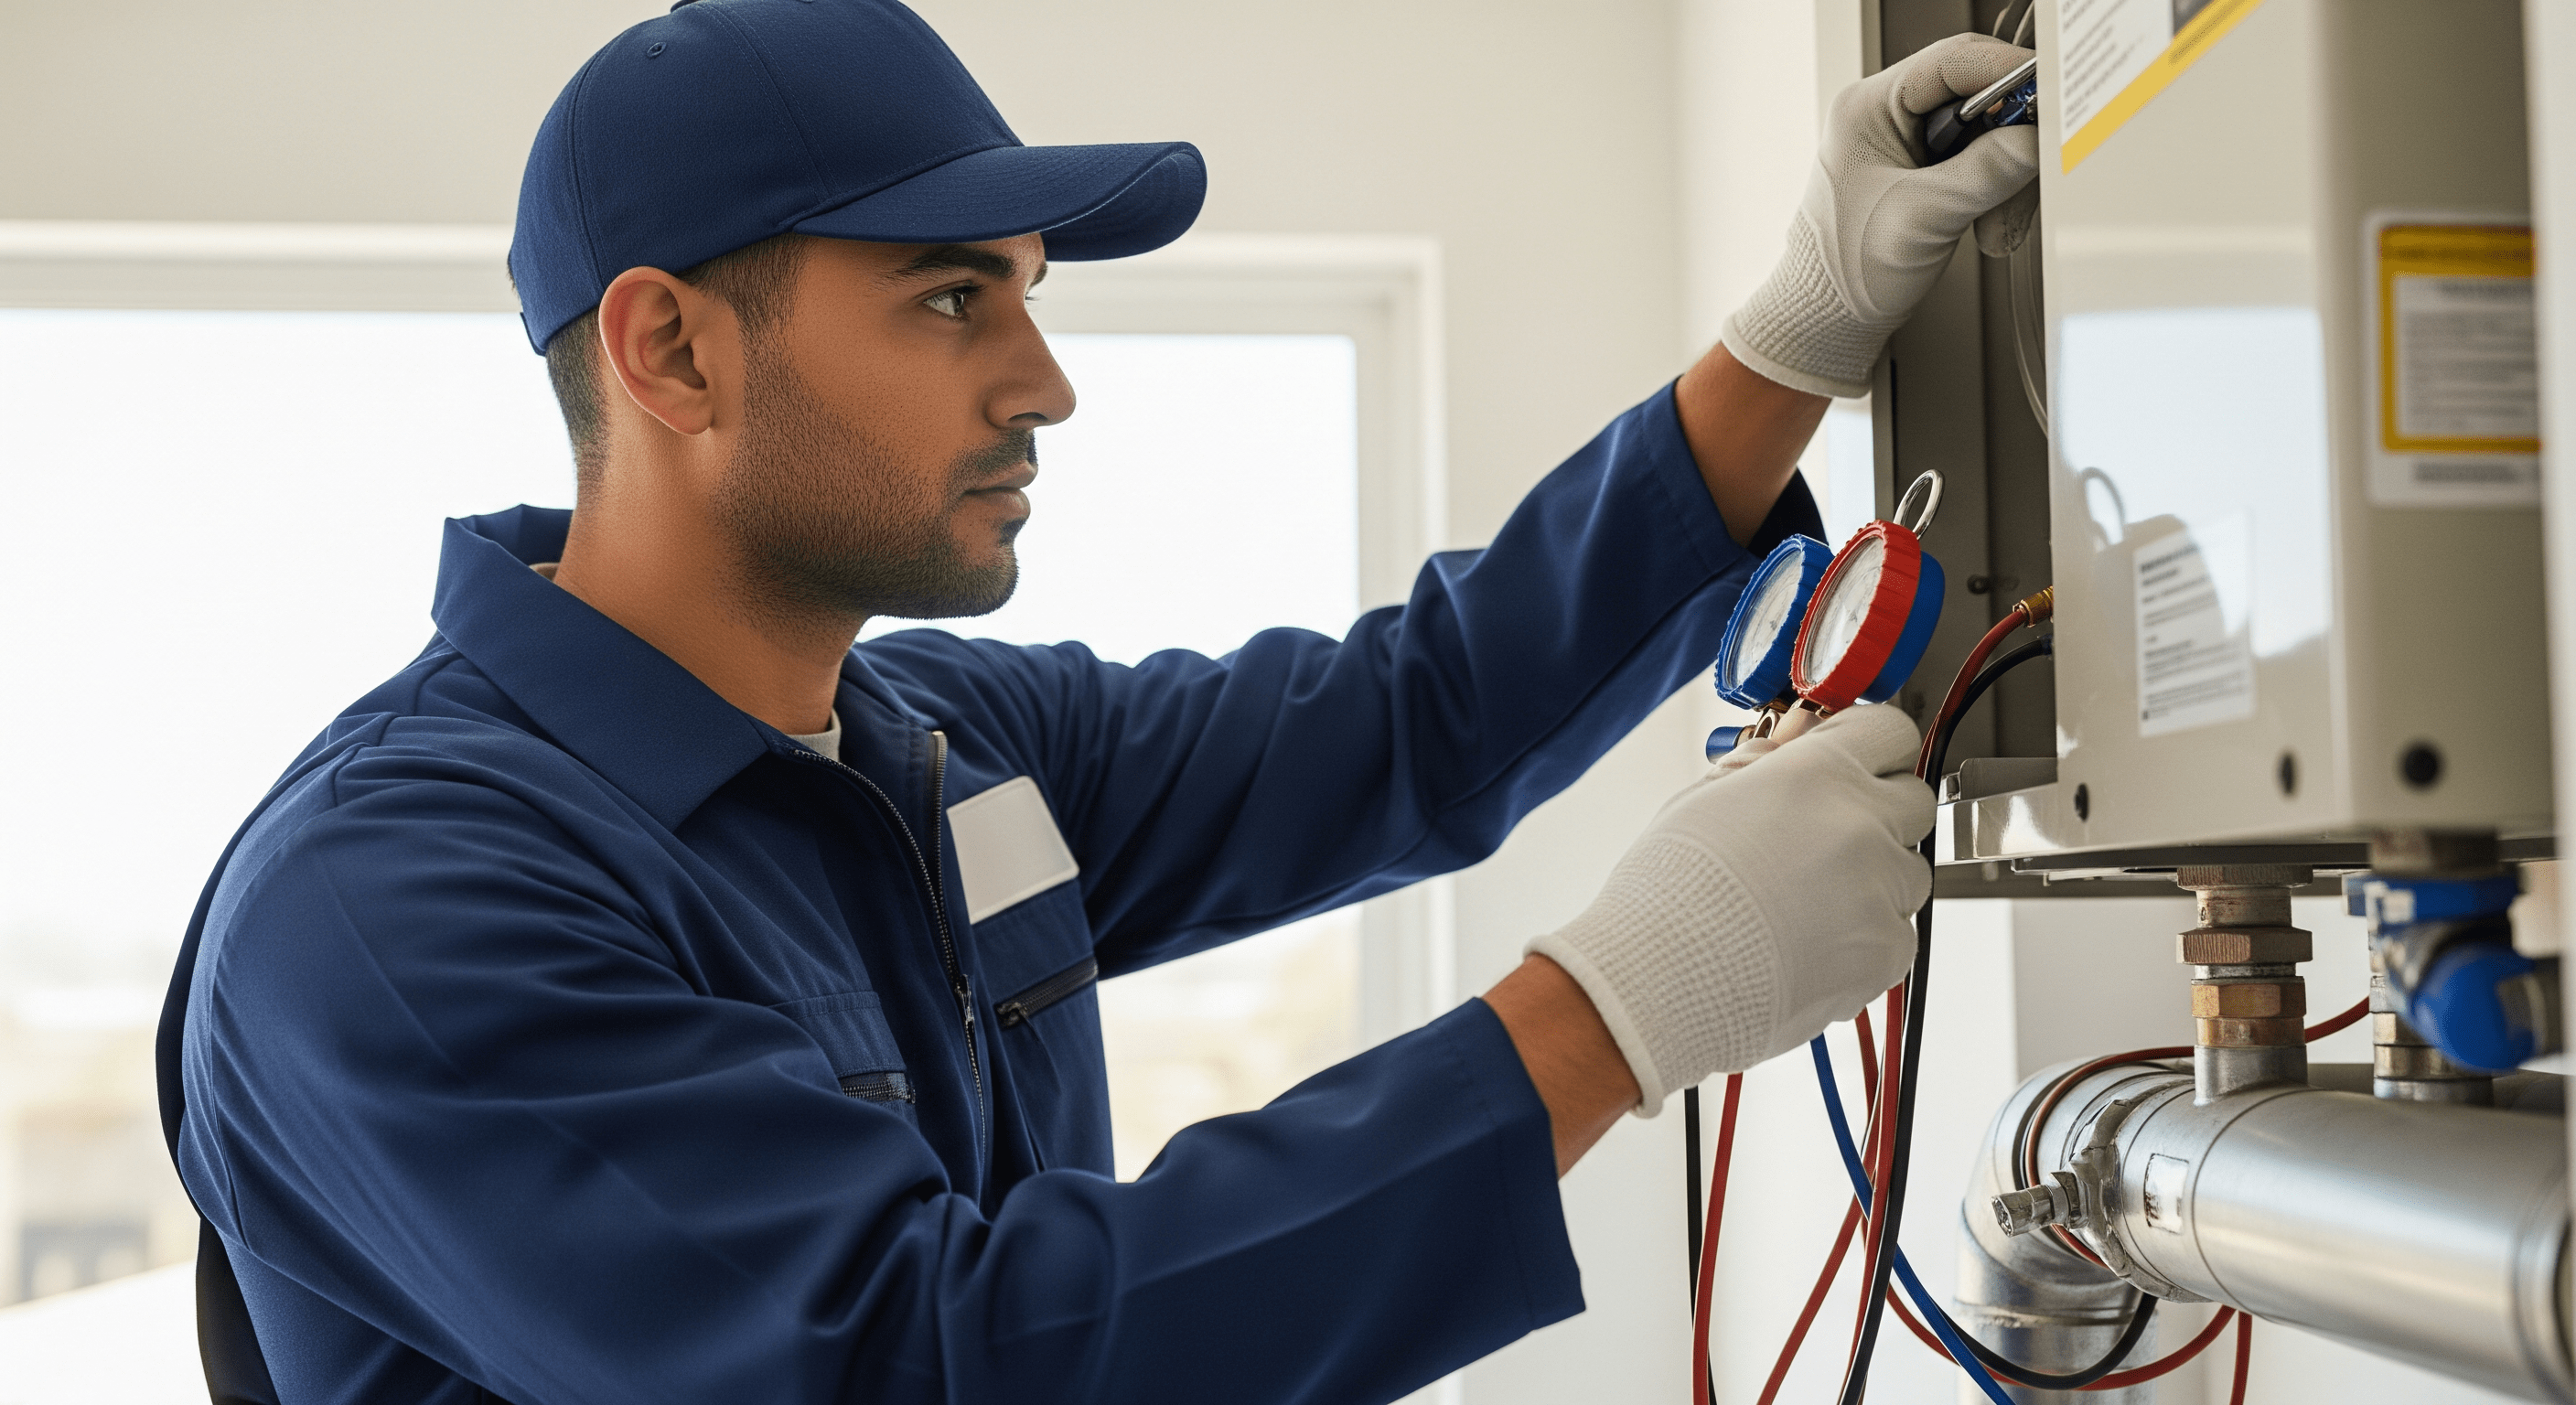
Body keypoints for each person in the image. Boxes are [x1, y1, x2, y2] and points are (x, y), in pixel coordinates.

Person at [154, 4, 2037, 1401]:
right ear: (670, 347)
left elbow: (1407, 719)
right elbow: (916, 1361)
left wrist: (1792, 336)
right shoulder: (395, 908)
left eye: (1031, 298)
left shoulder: (943, 752)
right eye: (952, 301)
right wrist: (1614, 1009)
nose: (1047, 382)